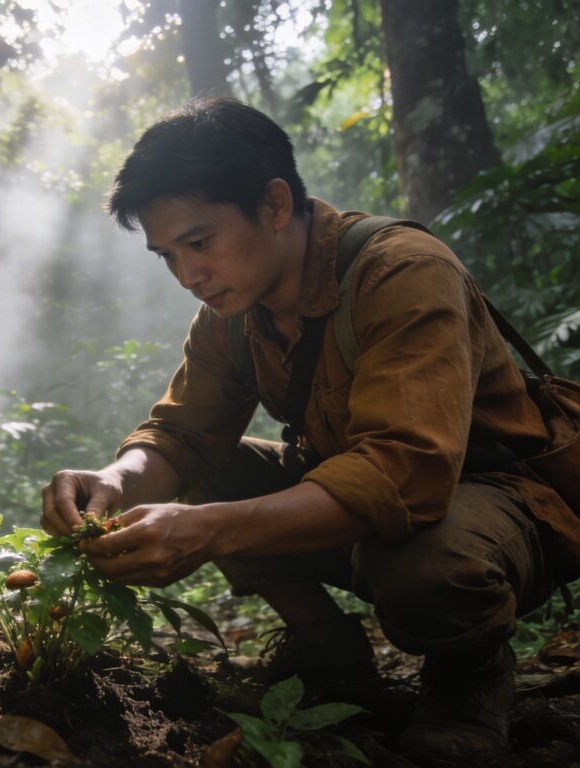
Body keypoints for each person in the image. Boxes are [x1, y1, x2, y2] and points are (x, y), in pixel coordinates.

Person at [40, 98, 579, 762]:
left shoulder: (402, 271)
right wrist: (114, 481)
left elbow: (403, 473)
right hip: (357, 501)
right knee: (210, 471)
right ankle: (329, 649)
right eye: (168, 256)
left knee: (422, 562)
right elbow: (181, 437)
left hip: (494, 505)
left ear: (273, 205)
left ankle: (468, 674)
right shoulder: (230, 310)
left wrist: (210, 528)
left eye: (200, 242)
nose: (189, 275)